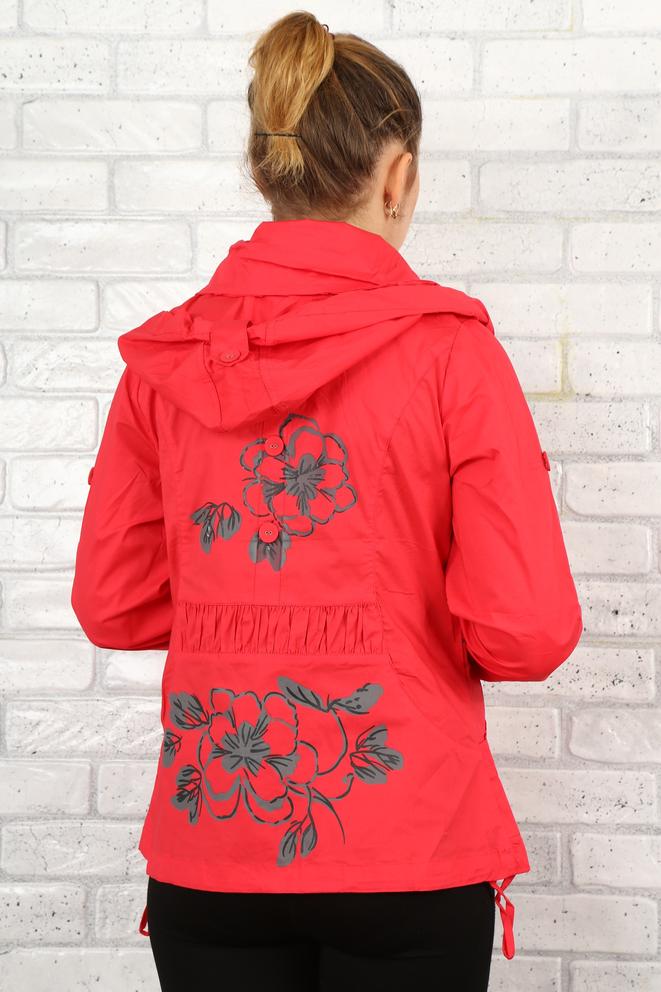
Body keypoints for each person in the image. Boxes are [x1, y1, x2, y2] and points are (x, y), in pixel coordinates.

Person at [70, 11, 583, 992]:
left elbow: (114, 604)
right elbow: (526, 630)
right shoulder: (451, 353)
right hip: (409, 845)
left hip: (211, 848)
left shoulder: (163, 363)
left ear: (268, 169)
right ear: (398, 178)